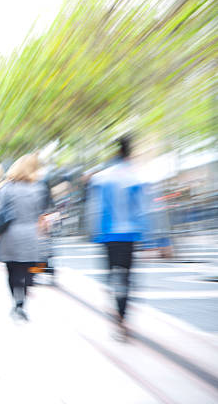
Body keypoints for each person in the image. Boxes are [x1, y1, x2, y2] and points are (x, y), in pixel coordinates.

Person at [86, 135, 148, 341]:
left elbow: (94, 209)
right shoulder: (135, 176)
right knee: (127, 276)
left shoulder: (102, 178)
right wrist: (153, 239)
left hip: (108, 235)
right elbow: (144, 209)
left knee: (113, 274)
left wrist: (93, 233)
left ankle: (115, 306)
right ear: (130, 151)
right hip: (130, 235)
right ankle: (122, 316)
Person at [0, 154, 47, 320]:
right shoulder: (39, 189)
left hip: (10, 235)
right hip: (30, 234)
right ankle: (22, 303)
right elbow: (41, 213)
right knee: (28, 270)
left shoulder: (6, 188)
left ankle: (17, 300)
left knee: (12, 270)